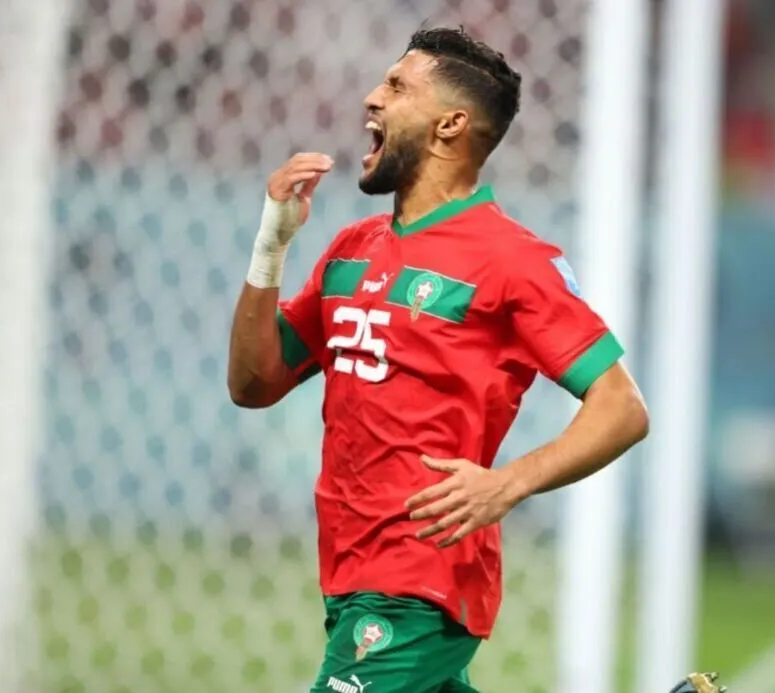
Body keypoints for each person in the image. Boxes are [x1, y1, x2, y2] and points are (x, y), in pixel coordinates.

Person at [227, 26, 652, 692]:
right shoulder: (352, 250)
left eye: (397, 86)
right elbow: (253, 383)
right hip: (350, 569)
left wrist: (507, 483)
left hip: (421, 580)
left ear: (450, 124)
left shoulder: (513, 260)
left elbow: (622, 406)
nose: (373, 97)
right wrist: (270, 246)